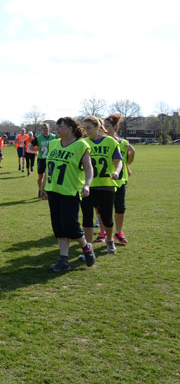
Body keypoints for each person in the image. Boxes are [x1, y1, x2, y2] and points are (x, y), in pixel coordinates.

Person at [42, 117, 95, 272]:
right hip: (53, 190)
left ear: (71, 128)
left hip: (70, 191)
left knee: (70, 226)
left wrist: (87, 185)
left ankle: (86, 247)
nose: (57, 129)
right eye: (56, 126)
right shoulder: (53, 143)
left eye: (61, 126)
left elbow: (88, 168)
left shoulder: (80, 145)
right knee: (58, 227)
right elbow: (48, 167)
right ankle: (64, 260)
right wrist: (43, 187)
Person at [80, 116, 123, 254]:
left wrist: (116, 172)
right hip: (88, 186)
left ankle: (110, 240)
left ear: (98, 127)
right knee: (87, 217)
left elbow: (118, 160)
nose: (86, 132)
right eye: (84, 129)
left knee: (106, 218)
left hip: (106, 185)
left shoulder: (110, 141)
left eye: (89, 128)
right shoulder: (83, 143)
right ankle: (88, 247)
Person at [101, 114, 135, 244]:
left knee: (120, 207)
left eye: (107, 126)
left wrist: (133, 152)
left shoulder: (123, 143)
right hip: (105, 181)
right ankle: (103, 232)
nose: (104, 129)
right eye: (103, 126)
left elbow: (127, 162)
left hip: (120, 180)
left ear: (115, 127)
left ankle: (118, 232)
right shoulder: (101, 141)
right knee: (103, 208)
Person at [34, 124, 56, 198]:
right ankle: (40, 189)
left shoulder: (54, 137)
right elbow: (30, 147)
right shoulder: (38, 138)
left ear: (49, 128)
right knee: (40, 177)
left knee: (50, 176)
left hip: (51, 160)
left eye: (46, 128)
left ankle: (48, 190)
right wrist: (37, 149)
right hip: (41, 159)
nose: (45, 129)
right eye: (43, 128)